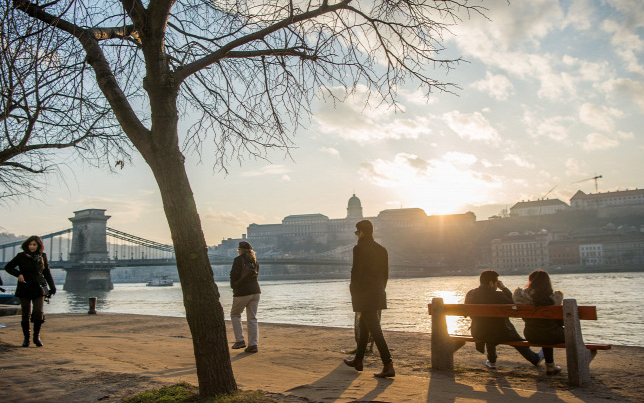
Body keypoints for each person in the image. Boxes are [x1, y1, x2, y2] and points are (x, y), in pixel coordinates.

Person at [343, 220, 395, 378]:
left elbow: (356, 272)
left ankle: (388, 364)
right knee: (364, 326)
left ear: (362, 232)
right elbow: (385, 274)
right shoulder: (382, 249)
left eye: (357, 232)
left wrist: (353, 290)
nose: (357, 236)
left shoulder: (359, 248)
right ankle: (358, 360)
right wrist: (380, 290)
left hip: (364, 293)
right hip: (377, 292)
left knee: (375, 329)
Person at [465, 270, 543, 369]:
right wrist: (504, 288)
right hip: (500, 333)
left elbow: (467, 313)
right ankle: (534, 358)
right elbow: (515, 303)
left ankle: (492, 361)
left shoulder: (471, 294)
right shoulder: (498, 295)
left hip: (478, 331)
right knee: (508, 335)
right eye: (496, 283)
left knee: (487, 328)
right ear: (491, 283)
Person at [4, 235, 56, 347]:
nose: (32, 247)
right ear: (27, 245)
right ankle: (26, 339)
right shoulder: (21, 256)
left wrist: (52, 287)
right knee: (25, 313)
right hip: (24, 287)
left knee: (38, 312)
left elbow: (47, 272)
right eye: (30, 244)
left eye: (34, 245)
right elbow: (8, 267)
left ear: (39, 246)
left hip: (38, 287)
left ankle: (36, 337)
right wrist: (18, 274)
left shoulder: (43, 256)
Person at [513, 270, 564, 375]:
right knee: (548, 331)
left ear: (530, 282)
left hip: (531, 335)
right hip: (552, 335)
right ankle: (550, 365)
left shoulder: (520, 297)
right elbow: (560, 322)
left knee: (544, 330)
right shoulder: (555, 297)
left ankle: (550, 365)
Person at [229, 241, 261, 353]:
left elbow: (234, 275)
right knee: (252, 318)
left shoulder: (238, 260)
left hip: (243, 291)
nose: (238, 251)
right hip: (256, 291)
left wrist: (234, 286)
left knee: (235, 314)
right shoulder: (255, 261)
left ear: (241, 250)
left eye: (238, 250)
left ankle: (240, 340)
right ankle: (253, 345)